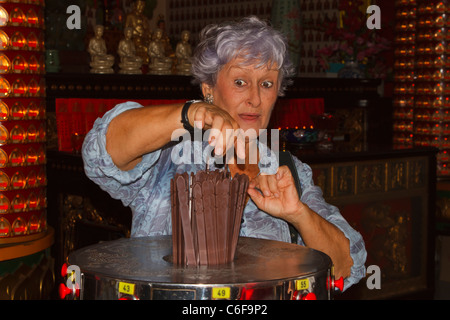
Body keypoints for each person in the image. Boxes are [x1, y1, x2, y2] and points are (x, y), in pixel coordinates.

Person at [82, 16, 366, 291]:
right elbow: (100, 152)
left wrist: (298, 215)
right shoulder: (168, 158)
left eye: (266, 84)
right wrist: (188, 113)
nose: (255, 98)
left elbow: (346, 266)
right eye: (240, 82)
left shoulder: (287, 171)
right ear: (208, 89)